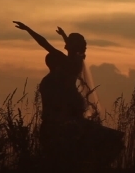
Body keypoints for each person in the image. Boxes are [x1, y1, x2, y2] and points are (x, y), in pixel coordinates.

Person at [13, 21, 124, 171]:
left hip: (64, 105)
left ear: (70, 47)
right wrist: (65, 36)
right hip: (70, 102)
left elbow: (44, 43)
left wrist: (28, 29)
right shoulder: (76, 61)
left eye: (68, 43)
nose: (65, 45)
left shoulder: (63, 61)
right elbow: (71, 50)